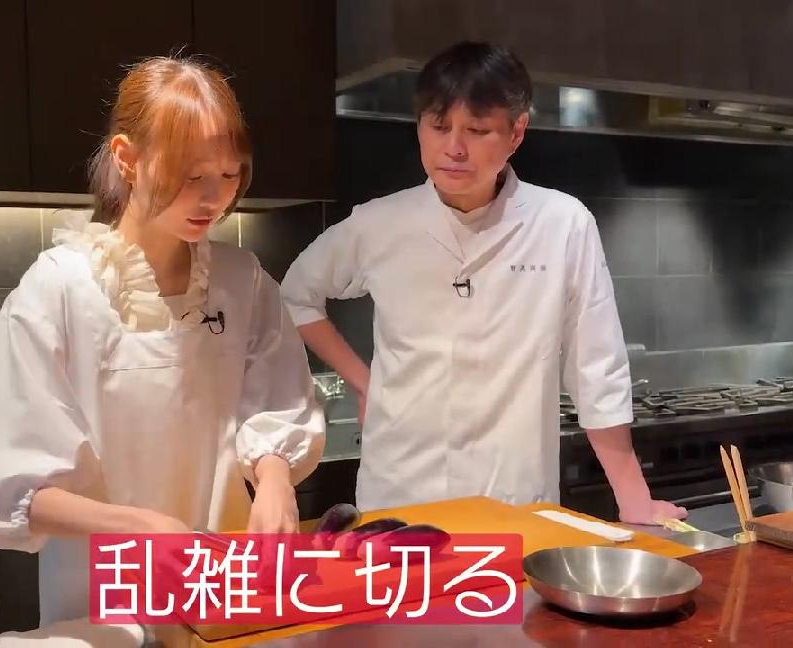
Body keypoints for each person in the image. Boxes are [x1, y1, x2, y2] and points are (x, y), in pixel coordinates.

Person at [0, 55, 326, 632]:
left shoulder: (242, 281)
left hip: (223, 596)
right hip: (103, 605)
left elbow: (278, 403)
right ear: (127, 158)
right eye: (190, 176)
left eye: (229, 175)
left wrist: (276, 479)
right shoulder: (60, 288)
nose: (213, 198)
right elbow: (6, 487)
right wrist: (140, 527)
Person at [280, 41, 685, 525]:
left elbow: (596, 367)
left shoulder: (562, 223)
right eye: (438, 127)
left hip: (514, 497)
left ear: (517, 132)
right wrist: (364, 382)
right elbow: (295, 295)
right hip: (399, 492)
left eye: (476, 130)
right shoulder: (379, 223)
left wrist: (633, 497)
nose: (454, 148)